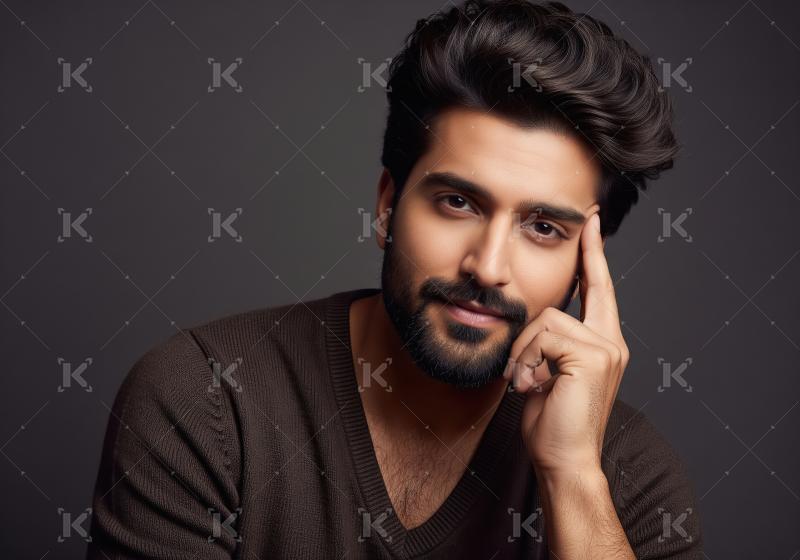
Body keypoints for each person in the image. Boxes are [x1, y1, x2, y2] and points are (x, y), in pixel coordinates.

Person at [87, 1, 703, 558]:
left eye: (543, 228)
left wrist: (572, 476)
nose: (488, 267)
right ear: (388, 204)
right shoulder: (206, 399)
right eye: (457, 202)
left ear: (586, 261)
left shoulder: (624, 472)